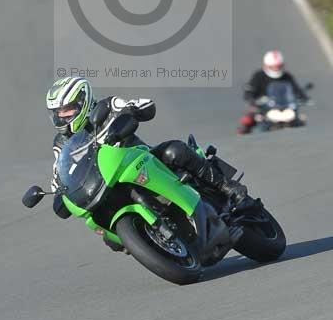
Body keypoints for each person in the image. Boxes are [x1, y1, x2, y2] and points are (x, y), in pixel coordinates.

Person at [47, 76, 244, 219]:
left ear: (84, 101)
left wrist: (134, 110)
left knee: (174, 151)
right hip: (106, 185)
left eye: (67, 110)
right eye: (58, 113)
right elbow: (59, 174)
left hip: (144, 160)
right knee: (106, 230)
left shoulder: (108, 106)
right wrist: (59, 193)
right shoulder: (62, 143)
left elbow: (143, 104)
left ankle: (225, 186)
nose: (62, 117)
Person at [236, 50, 308, 135]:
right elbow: (250, 90)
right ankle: (242, 134)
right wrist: (252, 98)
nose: (276, 69)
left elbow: (296, 89)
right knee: (250, 116)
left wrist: (303, 97)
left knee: (301, 119)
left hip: (285, 105)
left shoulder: (287, 76)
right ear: (266, 66)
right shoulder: (259, 76)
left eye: (278, 66)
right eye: (273, 67)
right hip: (265, 106)